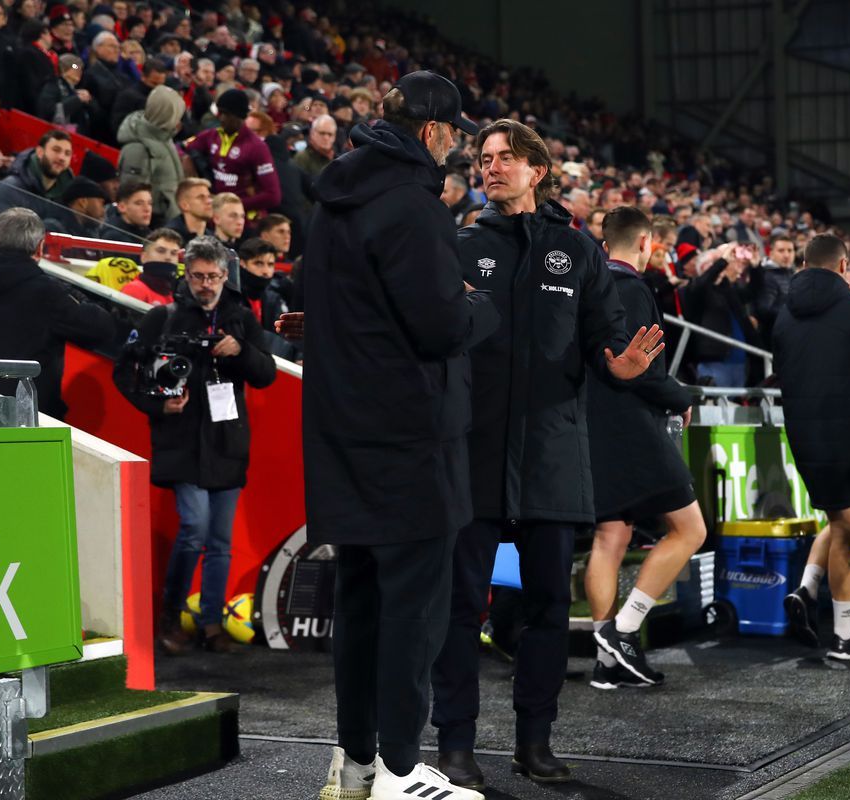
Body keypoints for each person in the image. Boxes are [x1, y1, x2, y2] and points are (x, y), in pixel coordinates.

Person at [431, 118, 662, 790]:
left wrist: (619, 366)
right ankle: (455, 746)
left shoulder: (577, 250)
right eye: (484, 158)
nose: (491, 167)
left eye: (505, 158)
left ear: (538, 170)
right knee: (459, 604)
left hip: (554, 455)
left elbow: (606, 340)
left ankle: (535, 744)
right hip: (471, 452)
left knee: (545, 609)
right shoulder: (458, 242)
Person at [302, 71, 499, 800]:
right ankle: (398, 769)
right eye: (454, 132)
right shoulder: (410, 207)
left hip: (346, 433)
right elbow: (442, 324)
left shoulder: (336, 199)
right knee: (413, 615)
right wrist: (481, 308)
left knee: (360, 608)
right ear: (433, 130)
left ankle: (356, 764)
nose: (457, 146)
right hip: (410, 436)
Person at [113, 235, 276, 655]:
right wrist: (158, 405)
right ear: (187, 273)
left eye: (213, 276)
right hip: (182, 441)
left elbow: (266, 374)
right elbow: (125, 373)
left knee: (220, 541)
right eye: (199, 276)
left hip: (226, 443)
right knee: (193, 529)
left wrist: (239, 350)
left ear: (225, 275)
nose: (206, 284)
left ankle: (209, 623)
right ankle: (170, 617)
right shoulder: (163, 318)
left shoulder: (240, 317)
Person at [584, 206, 706, 689]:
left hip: (592, 423)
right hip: (631, 424)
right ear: (648, 242)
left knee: (609, 538)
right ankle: (626, 629)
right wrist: (681, 398)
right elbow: (642, 364)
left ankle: (605, 659)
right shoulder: (631, 286)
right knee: (690, 529)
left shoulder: (590, 284)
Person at [777, 233, 850, 661]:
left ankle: (807, 589)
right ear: (843, 266)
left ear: (804, 263)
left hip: (806, 434)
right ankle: (844, 637)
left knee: (837, 517)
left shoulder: (784, 315)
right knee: (848, 531)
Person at [0, 207, 116, 418]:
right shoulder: (47, 293)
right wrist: (75, 294)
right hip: (21, 418)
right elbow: (102, 329)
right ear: (39, 248)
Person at [183, 88, 281, 217]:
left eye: (227, 114)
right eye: (220, 113)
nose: (222, 118)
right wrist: (192, 172)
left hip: (243, 221)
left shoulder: (256, 147)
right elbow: (182, 148)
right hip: (215, 217)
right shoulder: (211, 136)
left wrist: (233, 205)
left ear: (240, 116)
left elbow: (273, 196)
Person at [683, 242, 758, 387]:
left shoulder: (725, 289)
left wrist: (755, 267)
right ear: (706, 267)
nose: (727, 263)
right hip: (714, 361)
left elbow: (752, 292)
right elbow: (702, 283)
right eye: (719, 263)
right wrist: (723, 260)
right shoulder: (696, 290)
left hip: (739, 362)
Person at [117, 84, 185, 224]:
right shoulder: (137, 148)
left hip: (171, 218)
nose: (179, 121)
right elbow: (132, 195)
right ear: (167, 114)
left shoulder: (164, 137)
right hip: (154, 222)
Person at [0, 129, 73, 232]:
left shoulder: (66, 198)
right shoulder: (9, 189)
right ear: (40, 152)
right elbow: (1, 234)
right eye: (56, 150)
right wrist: (45, 228)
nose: (62, 157)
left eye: (67, 154)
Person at [80, 31, 131, 142]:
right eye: (112, 46)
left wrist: (130, 63)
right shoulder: (89, 73)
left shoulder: (123, 77)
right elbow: (73, 65)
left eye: (118, 47)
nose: (117, 50)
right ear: (98, 48)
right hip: (100, 132)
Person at [119, 227, 184, 306]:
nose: (168, 257)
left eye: (173, 253)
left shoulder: (175, 294)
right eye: (161, 251)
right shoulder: (135, 290)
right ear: (144, 257)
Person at [37, 54, 99, 134]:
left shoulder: (77, 92)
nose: (79, 71)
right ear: (63, 68)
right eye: (75, 67)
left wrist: (89, 101)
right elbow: (49, 112)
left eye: (81, 68)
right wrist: (77, 99)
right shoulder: (52, 85)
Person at [166, 177, 215, 245]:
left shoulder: (213, 239)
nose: (209, 201)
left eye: (209, 197)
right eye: (201, 197)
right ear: (184, 205)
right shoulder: (169, 238)